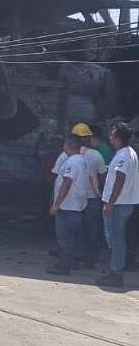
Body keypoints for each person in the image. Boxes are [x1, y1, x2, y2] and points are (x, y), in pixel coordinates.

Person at [97, 121, 139, 287]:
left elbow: (119, 181)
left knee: (116, 239)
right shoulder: (130, 153)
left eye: (112, 134)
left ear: (118, 138)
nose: (110, 137)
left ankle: (116, 273)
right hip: (124, 203)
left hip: (119, 204)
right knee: (118, 238)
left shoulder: (123, 156)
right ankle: (115, 271)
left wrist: (110, 204)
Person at [48, 135, 91, 276]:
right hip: (77, 206)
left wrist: (56, 204)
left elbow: (66, 183)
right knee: (72, 238)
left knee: (64, 238)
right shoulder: (83, 161)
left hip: (67, 207)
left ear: (67, 145)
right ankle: (71, 261)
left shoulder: (72, 162)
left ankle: (63, 266)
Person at [71, 123, 107, 268]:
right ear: (88, 138)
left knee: (76, 229)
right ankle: (90, 259)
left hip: (75, 198)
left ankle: (76, 256)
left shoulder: (69, 154)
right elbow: (103, 175)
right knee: (92, 229)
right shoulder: (96, 155)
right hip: (92, 198)